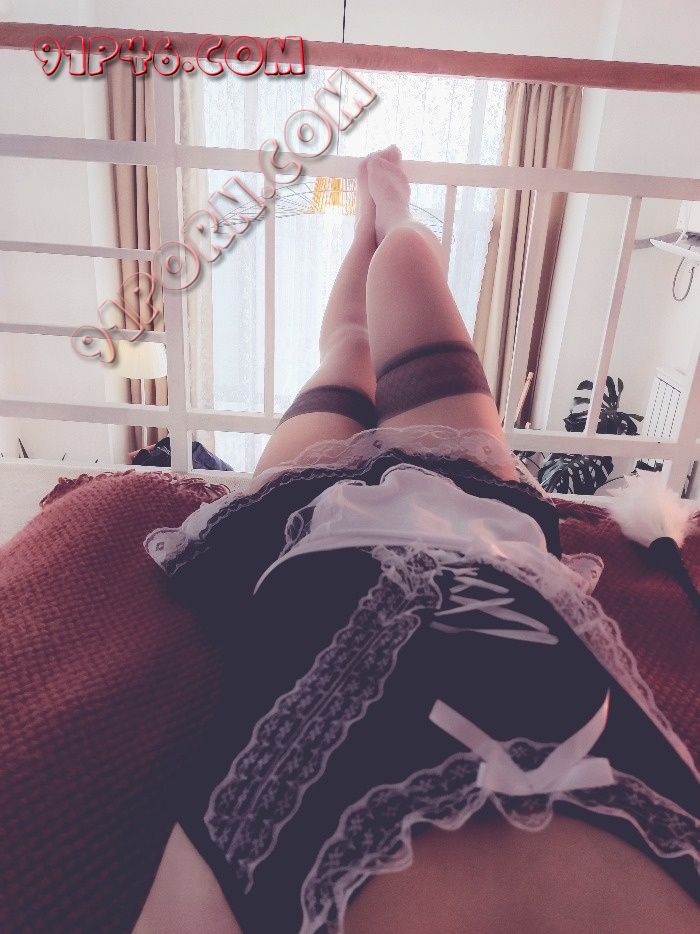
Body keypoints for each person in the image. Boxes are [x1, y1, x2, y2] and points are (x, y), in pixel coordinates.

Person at [137, 147, 699, 933]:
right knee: (405, 276)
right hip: (477, 524)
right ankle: (391, 211)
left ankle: (376, 217)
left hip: (307, 528)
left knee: (351, 349)